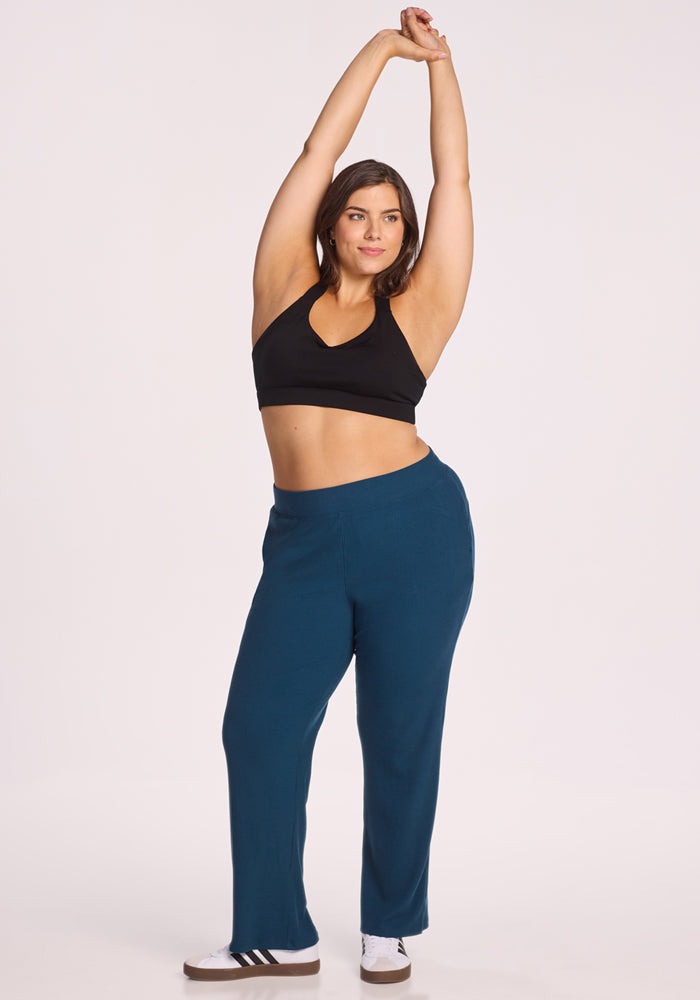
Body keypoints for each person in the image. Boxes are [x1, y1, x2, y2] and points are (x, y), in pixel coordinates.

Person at [184, 6, 475, 986]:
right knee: (258, 725)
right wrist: (383, 50)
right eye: (359, 211)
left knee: (397, 731)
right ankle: (277, 928)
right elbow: (318, 148)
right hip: (304, 538)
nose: (375, 228)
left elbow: (456, 178)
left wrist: (438, 68)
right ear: (330, 223)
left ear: (406, 236)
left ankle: (389, 922)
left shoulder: (421, 309)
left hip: (415, 528)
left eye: (391, 217)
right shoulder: (278, 286)